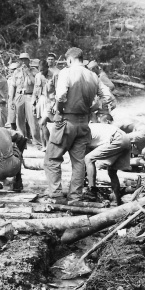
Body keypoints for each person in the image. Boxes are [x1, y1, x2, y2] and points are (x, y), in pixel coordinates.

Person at [44, 47, 111, 203]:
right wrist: (91, 108)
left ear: (69, 60)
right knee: (78, 161)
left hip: (66, 120)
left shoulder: (66, 73)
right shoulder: (93, 76)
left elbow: (60, 95)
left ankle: (56, 194)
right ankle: (75, 196)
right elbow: (107, 97)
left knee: (52, 159)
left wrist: (59, 110)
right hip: (83, 123)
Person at [84, 121, 132, 206]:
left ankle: (92, 190)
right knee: (112, 172)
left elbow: (86, 158)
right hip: (125, 138)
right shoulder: (91, 127)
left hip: (116, 138)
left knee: (88, 158)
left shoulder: (83, 131)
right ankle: (116, 201)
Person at [8, 52, 38, 141]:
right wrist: (11, 100)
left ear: (29, 60)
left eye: (25, 59)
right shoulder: (16, 71)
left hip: (29, 95)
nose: (24, 61)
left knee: (32, 119)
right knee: (19, 119)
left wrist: (28, 72)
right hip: (19, 95)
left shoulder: (34, 71)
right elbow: (13, 86)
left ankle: (37, 141)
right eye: (22, 60)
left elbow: (36, 84)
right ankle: (22, 139)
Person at [32, 59, 54, 151]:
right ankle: (44, 145)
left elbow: (57, 89)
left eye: (43, 70)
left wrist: (54, 104)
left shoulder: (53, 75)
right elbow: (35, 90)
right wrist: (33, 103)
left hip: (50, 101)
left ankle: (49, 145)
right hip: (40, 100)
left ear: (47, 68)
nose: (41, 72)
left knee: (43, 123)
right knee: (40, 125)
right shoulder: (38, 76)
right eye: (40, 70)